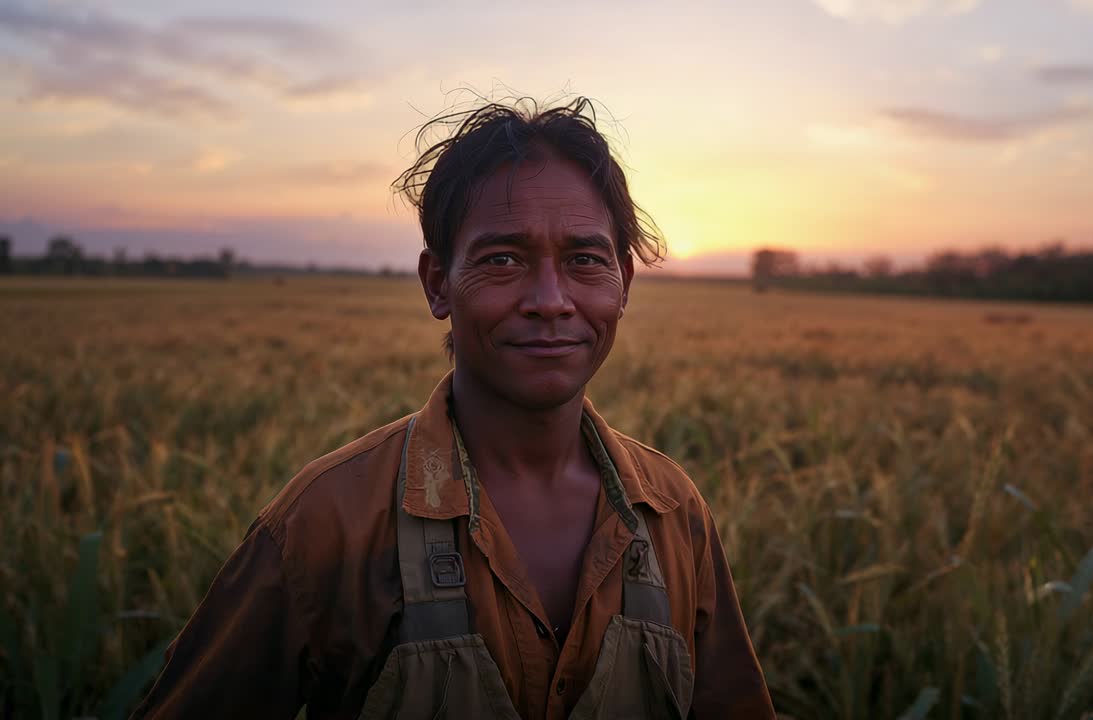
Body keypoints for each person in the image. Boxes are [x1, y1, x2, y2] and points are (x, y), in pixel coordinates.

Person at [132, 97, 775, 719]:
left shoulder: (671, 513)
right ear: (438, 284)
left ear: (623, 285)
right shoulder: (326, 522)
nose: (551, 299)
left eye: (584, 260)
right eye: (503, 259)